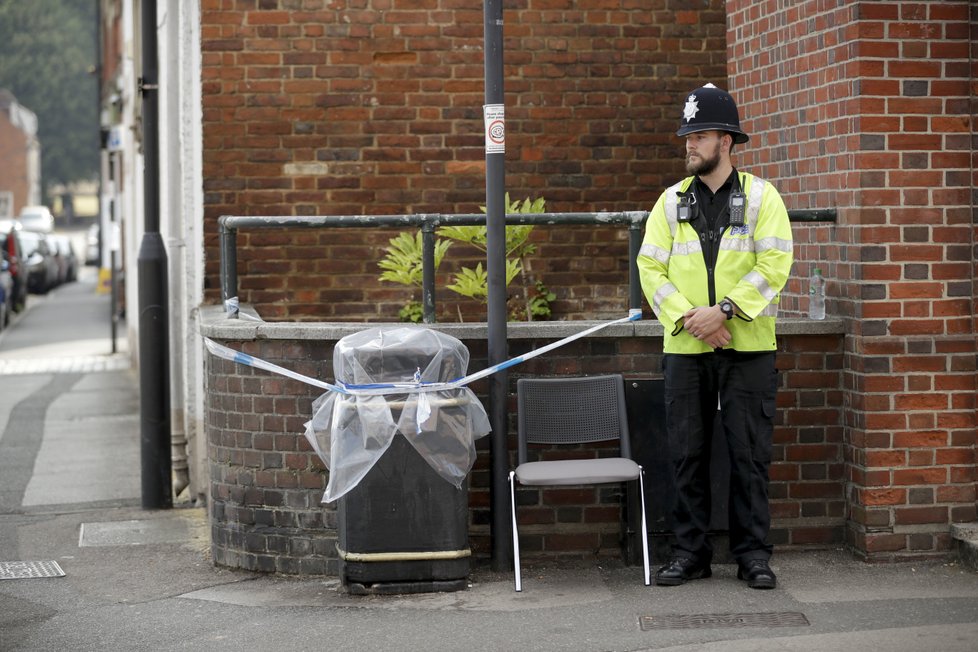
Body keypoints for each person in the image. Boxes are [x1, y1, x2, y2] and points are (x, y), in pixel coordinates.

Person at [637, 83, 794, 590]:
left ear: (725, 140)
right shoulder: (668, 202)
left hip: (748, 347)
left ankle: (752, 555)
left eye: (698, 135)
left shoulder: (763, 197)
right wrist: (691, 319)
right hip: (686, 347)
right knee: (686, 453)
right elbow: (649, 269)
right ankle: (690, 553)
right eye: (687, 136)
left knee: (749, 454)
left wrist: (725, 310)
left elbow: (775, 263)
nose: (689, 145)